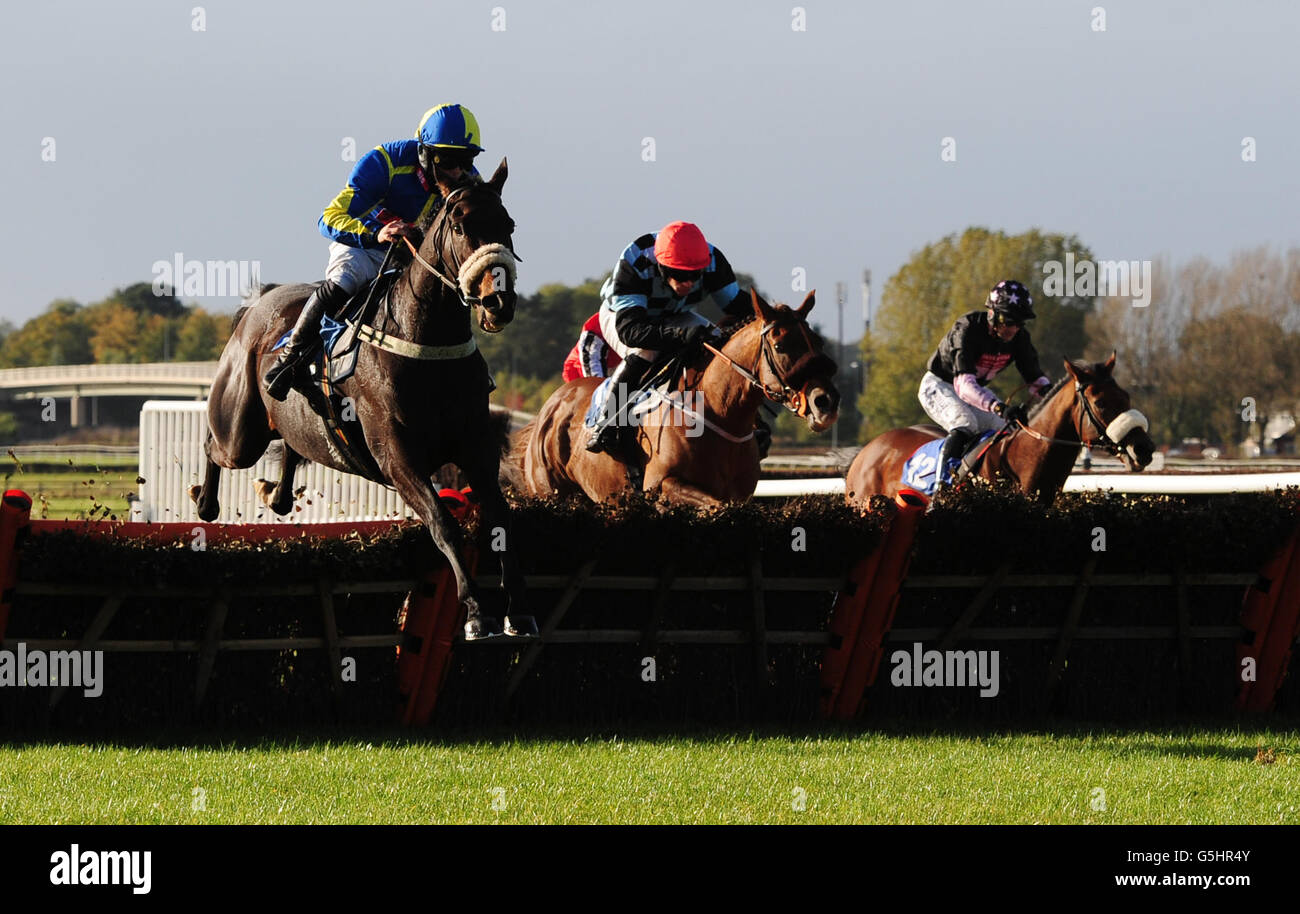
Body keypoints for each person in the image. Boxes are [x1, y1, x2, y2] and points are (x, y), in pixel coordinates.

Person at [263, 104, 485, 400]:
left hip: (413, 258)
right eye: (447, 160)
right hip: (363, 246)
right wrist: (375, 234)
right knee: (344, 282)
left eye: (465, 160)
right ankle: (289, 360)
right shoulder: (384, 162)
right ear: (424, 153)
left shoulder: (469, 181)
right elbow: (328, 218)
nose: (457, 171)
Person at [585, 221, 754, 454]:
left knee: (716, 342)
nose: (689, 283)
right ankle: (607, 422)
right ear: (662, 266)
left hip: (676, 315)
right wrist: (680, 335)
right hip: (625, 318)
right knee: (645, 352)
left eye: (695, 275)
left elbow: (738, 306)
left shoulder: (713, 261)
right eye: (680, 275)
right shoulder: (635, 260)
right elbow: (632, 332)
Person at [919, 280, 1052, 486]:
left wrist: (1054, 394)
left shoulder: (1020, 338)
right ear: (993, 314)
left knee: (1009, 430)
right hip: (939, 386)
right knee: (965, 423)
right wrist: (998, 407)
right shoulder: (967, 328)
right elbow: (963, 385)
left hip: (974, 391)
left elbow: (1035, 379)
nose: (1013, 329)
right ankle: (941, 488)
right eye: (1008, 320)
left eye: (1019, 323)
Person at [562, 312, 622, 382]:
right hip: (577, 371)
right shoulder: (596, 327)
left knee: (624, 389)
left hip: (614, 363)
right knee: (598, 385)